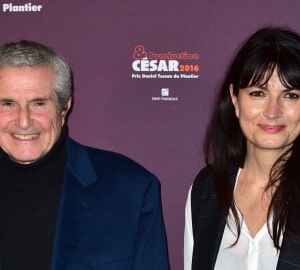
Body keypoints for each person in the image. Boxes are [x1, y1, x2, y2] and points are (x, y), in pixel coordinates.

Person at [0, 40, 170, 270]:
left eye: (39, 103)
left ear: (64, 107)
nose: (23, 121)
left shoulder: (131, 188)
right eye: (7, 104)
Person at [184, 27, 300, 270]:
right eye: (258, 93)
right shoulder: (207, 190)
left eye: (290, 95)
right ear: (235, 100)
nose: (272, 111)